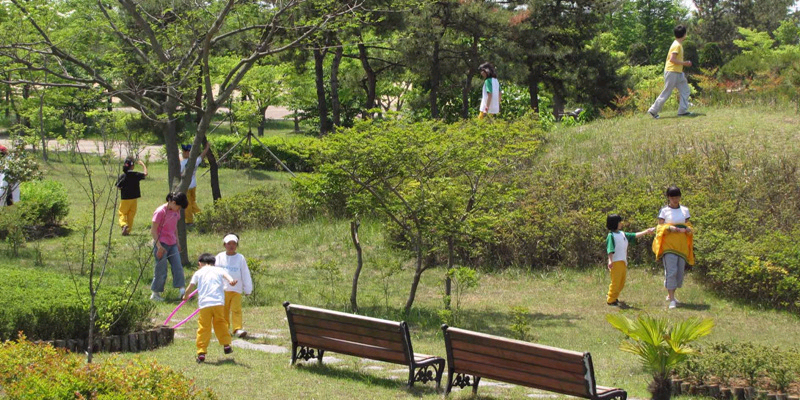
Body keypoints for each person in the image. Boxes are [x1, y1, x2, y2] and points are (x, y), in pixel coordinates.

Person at [183, 253, 237, 363]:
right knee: (221, 323)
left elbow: (191, 286)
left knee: (204, 327)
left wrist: (186, 296)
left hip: (205, 304)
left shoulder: (199, 272)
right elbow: (229, 278)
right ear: (214, 263)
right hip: (218, 303)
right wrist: (231, 281)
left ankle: (201, 352)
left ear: (200, 263)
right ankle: (226, 345)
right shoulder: (219, 270)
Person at [652, 185, 695, 309]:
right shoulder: (664, 211)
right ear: (668, 198)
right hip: (668, 245)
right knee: (671, 271)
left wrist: (688, 229)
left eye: (677, 197)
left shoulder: (685, 210)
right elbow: (659, 228)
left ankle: (671, 294)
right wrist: (669, 228)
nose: (675, 200)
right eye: (672, 197)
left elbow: (689, 226)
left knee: (679, 273)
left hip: (681, 246)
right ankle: (672, 300)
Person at [605, 214, 655, 306]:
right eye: (619, 222)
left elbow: (634, 235)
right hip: (616, 262)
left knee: (621, 282)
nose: (621, 223)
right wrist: (610, 260)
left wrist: (646, 231)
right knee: (616, 282)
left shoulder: (622, 234)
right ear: (614, 223)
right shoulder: (611, 236)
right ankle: (610, 299)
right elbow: (610, 249)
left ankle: (614, 297)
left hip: (623, 261)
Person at [150, 192, 189, 301]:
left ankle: (182, 291)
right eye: (178, 206)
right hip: (161, 243)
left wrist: (177, 242)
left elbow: (174, 227)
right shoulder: (160, 212)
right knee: (161, 269)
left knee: (178, 267)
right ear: (172, 202)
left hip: (172, 243)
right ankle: (155, 294)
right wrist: (158, 246)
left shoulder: (176, 212)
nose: (178, 209)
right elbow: (153, 230)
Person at [647, 25, 692, 119]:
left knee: (685, 90)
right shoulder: (676, 45)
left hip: (678, 72)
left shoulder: (678, 44)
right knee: (667, 92)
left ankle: (682, 111)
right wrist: (685, 63)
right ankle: (653, 110)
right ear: (684, 34)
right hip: (672, 71)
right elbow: (672, 59)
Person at [215, 233, 253, 338]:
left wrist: (248, 289)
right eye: (229, 244)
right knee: (224, 310)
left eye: (234, 244)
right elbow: (215, 272)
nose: (231, 246)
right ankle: (224, 328)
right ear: (224, 245)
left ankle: (237, 329)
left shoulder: (240, 258)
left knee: (236, 309)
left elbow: (245, 273)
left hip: (236, 289)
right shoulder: (219, 257)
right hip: (223, 290)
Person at [115, 157, 148, 236]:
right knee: (131, 214)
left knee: (122, 213)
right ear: (132, 166)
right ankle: (128, 230)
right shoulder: (136, 174)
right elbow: (145, 173)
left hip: (125, 199)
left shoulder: (123, 176)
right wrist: (143, 165)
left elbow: (118, 186)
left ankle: (123, 224)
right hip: (134, 199)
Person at [180, 142, 209, 225]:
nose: (183, 153)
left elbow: (179, 174)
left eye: (185, 151)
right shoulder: (194, 161)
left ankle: (189, 221)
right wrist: (206, 148)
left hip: (186, 186)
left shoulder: (183, 163)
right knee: (192, 202)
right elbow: (201, 156)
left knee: (187, 204)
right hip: (193, 185)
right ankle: (201, 216)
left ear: (188, 152)